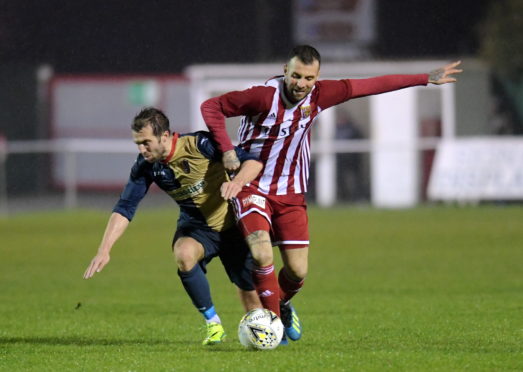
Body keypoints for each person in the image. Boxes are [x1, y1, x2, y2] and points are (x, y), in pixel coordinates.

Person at [200, 45, 462, 343]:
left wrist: (424, 78)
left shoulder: (321, 95)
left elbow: (371, 85)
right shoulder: (262, 97)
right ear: (285, 71)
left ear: (317, 77)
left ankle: (281, 305)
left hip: (291, 192)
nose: (301, 84)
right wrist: (228, 150)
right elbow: (211, 107)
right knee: (261, 253)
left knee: (297, 271)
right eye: (296, 75)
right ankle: (273, 330)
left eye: (308, 78)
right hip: (251, 184)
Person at [83, 107, 263, 346]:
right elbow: (126, 206)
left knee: (252, 296)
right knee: (184, 254)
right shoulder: (146, 166)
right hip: (196, 228)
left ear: (165, 136)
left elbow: (253, 162)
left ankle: (281, 309)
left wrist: (238, 182)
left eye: (146, 142)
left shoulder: (200, 144)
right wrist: (104, 249)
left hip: (233, 226)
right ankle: (213, 324)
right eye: (138, 143)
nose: (141, 149)